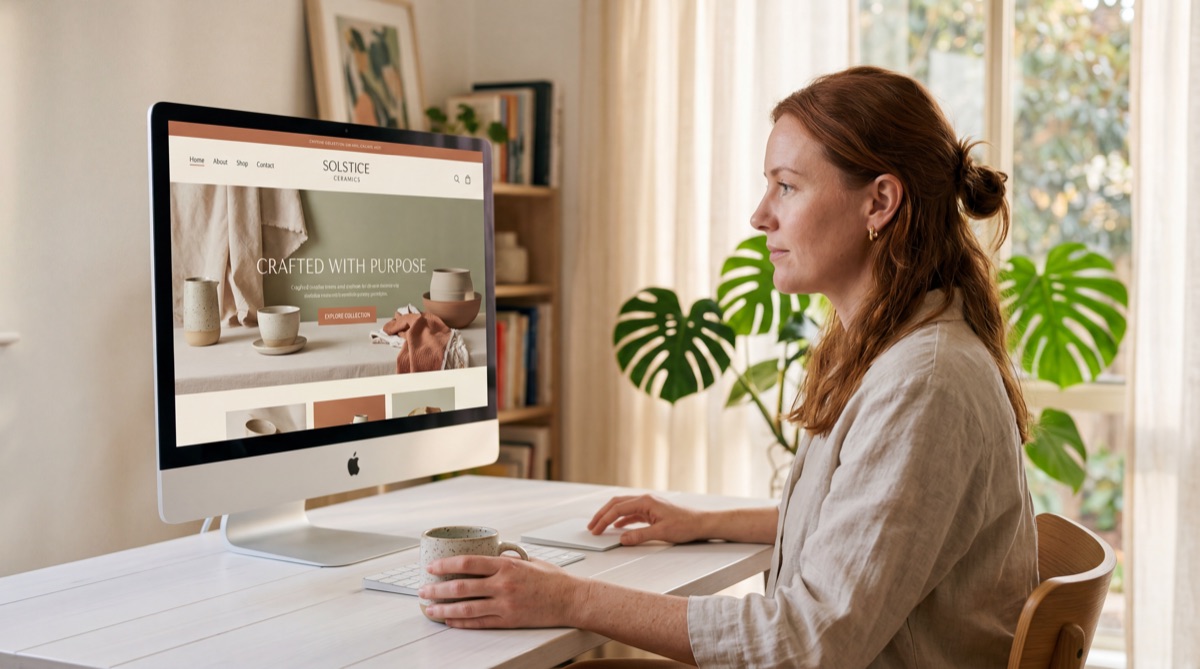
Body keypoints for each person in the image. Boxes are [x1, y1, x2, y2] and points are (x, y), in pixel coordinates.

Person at [417, 65, 1039, 668]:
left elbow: (805, 643)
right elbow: (863, 526)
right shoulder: (904, 348)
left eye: (787, 186)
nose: (760, 214)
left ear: (879, 202)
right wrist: (702, 522)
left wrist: (567, 596)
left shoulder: (922, 382)